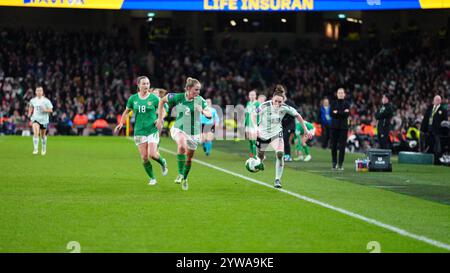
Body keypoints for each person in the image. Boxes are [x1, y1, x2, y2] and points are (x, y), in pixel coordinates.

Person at [156, 77, 212, 191]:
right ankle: (180, 174)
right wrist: (159, 118)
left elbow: (209, 114)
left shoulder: (200, 100)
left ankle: (185, 178)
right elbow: (162, 100)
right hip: (179, 128)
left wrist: (201, 110)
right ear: (188, 88)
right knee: (181, 146)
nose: (198, 92)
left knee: (189, 159)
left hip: (193, 132)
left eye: (199, 90)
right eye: (196, 89)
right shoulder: (178, 97)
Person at [252, 85, 312, 189]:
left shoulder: (285, 107)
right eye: (276, 101)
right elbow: (253, 114)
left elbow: (298, 115)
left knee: (280, 153)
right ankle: (260, 162)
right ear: (272, 99)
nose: (278, 104)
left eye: (280, 102)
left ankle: (277, 179)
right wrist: (255, 128)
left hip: (276, 134)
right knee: (260, 156)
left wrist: (306, 129)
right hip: (262, 134)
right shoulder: (265, 105)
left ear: (283, 101)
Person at [115, 76, 168, 186]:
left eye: (148, 83)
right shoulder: (133, 99)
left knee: (152, 154)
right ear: (138, 85)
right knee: (144, 157)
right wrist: (121, 123)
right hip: (139, 131)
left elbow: (162, 109)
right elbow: (126, 112)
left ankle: (163, 162)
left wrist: (159, 119)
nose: (146, 86)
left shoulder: (154, 98)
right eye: (144, 83)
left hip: (152, 130)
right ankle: (152, 178)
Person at [420, 95, 448, 163]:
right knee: (429, 145)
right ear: (433, 101)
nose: (437, 101)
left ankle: (436, 160)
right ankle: (429, 160)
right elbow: (425, 119)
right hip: (429, 130)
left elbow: (445, 122)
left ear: (440, 101)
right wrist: (422, 129)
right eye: (436, 100)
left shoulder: (443, 110)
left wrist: (443, 131)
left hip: (438, 132)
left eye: (439, 100)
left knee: (437, 147)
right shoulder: (430, 109)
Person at [27, 86, 53, 155]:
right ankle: (35, 149)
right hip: (35, 118)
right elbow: (30, 106)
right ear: (35, 92)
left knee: (43, 135)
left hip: (44, 120)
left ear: (42, 92)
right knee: (36, 132)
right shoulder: (32, 100)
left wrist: (45, 110)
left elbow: (51, 110)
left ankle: (44, 147)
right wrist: (29, 113)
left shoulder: (46, 101)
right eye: (37, 91)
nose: (39, 92)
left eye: (40, 91)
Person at [330, 88, 350, 171]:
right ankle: (334, 163)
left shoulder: (347, 103)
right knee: (333, 146)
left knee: (342, 146)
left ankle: (340, 164)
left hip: (343, 128)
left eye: (342, 93)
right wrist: (342, 112)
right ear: (337, 94)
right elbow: (332, 114)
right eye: (339, 93)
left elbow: (346, 114)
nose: (340, 94)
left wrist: (337, 112)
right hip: (334, 127)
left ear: (344, 94)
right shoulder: (333, 103)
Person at [281, 90, 297, 162]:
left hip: (290, 124)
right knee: (283, 140)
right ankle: (285, 155)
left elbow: (296, 113)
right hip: (283, 125)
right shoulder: (279, 103)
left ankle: (288, 156)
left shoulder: (290, 103)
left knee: (285, 138)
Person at [244, 90, 260, 158]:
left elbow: (259, 113)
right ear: (248, 96)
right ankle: (252, 153)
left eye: (253, 95)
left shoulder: (258, 104)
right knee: (250, 140)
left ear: (256, 96)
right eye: (251, 95)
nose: (252, 96)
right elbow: (247, 114)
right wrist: (245, 122)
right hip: (248, 124)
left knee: (254, 140)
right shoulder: (248, 103)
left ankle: (255, 155)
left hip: (254, 124)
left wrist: (258, 123)